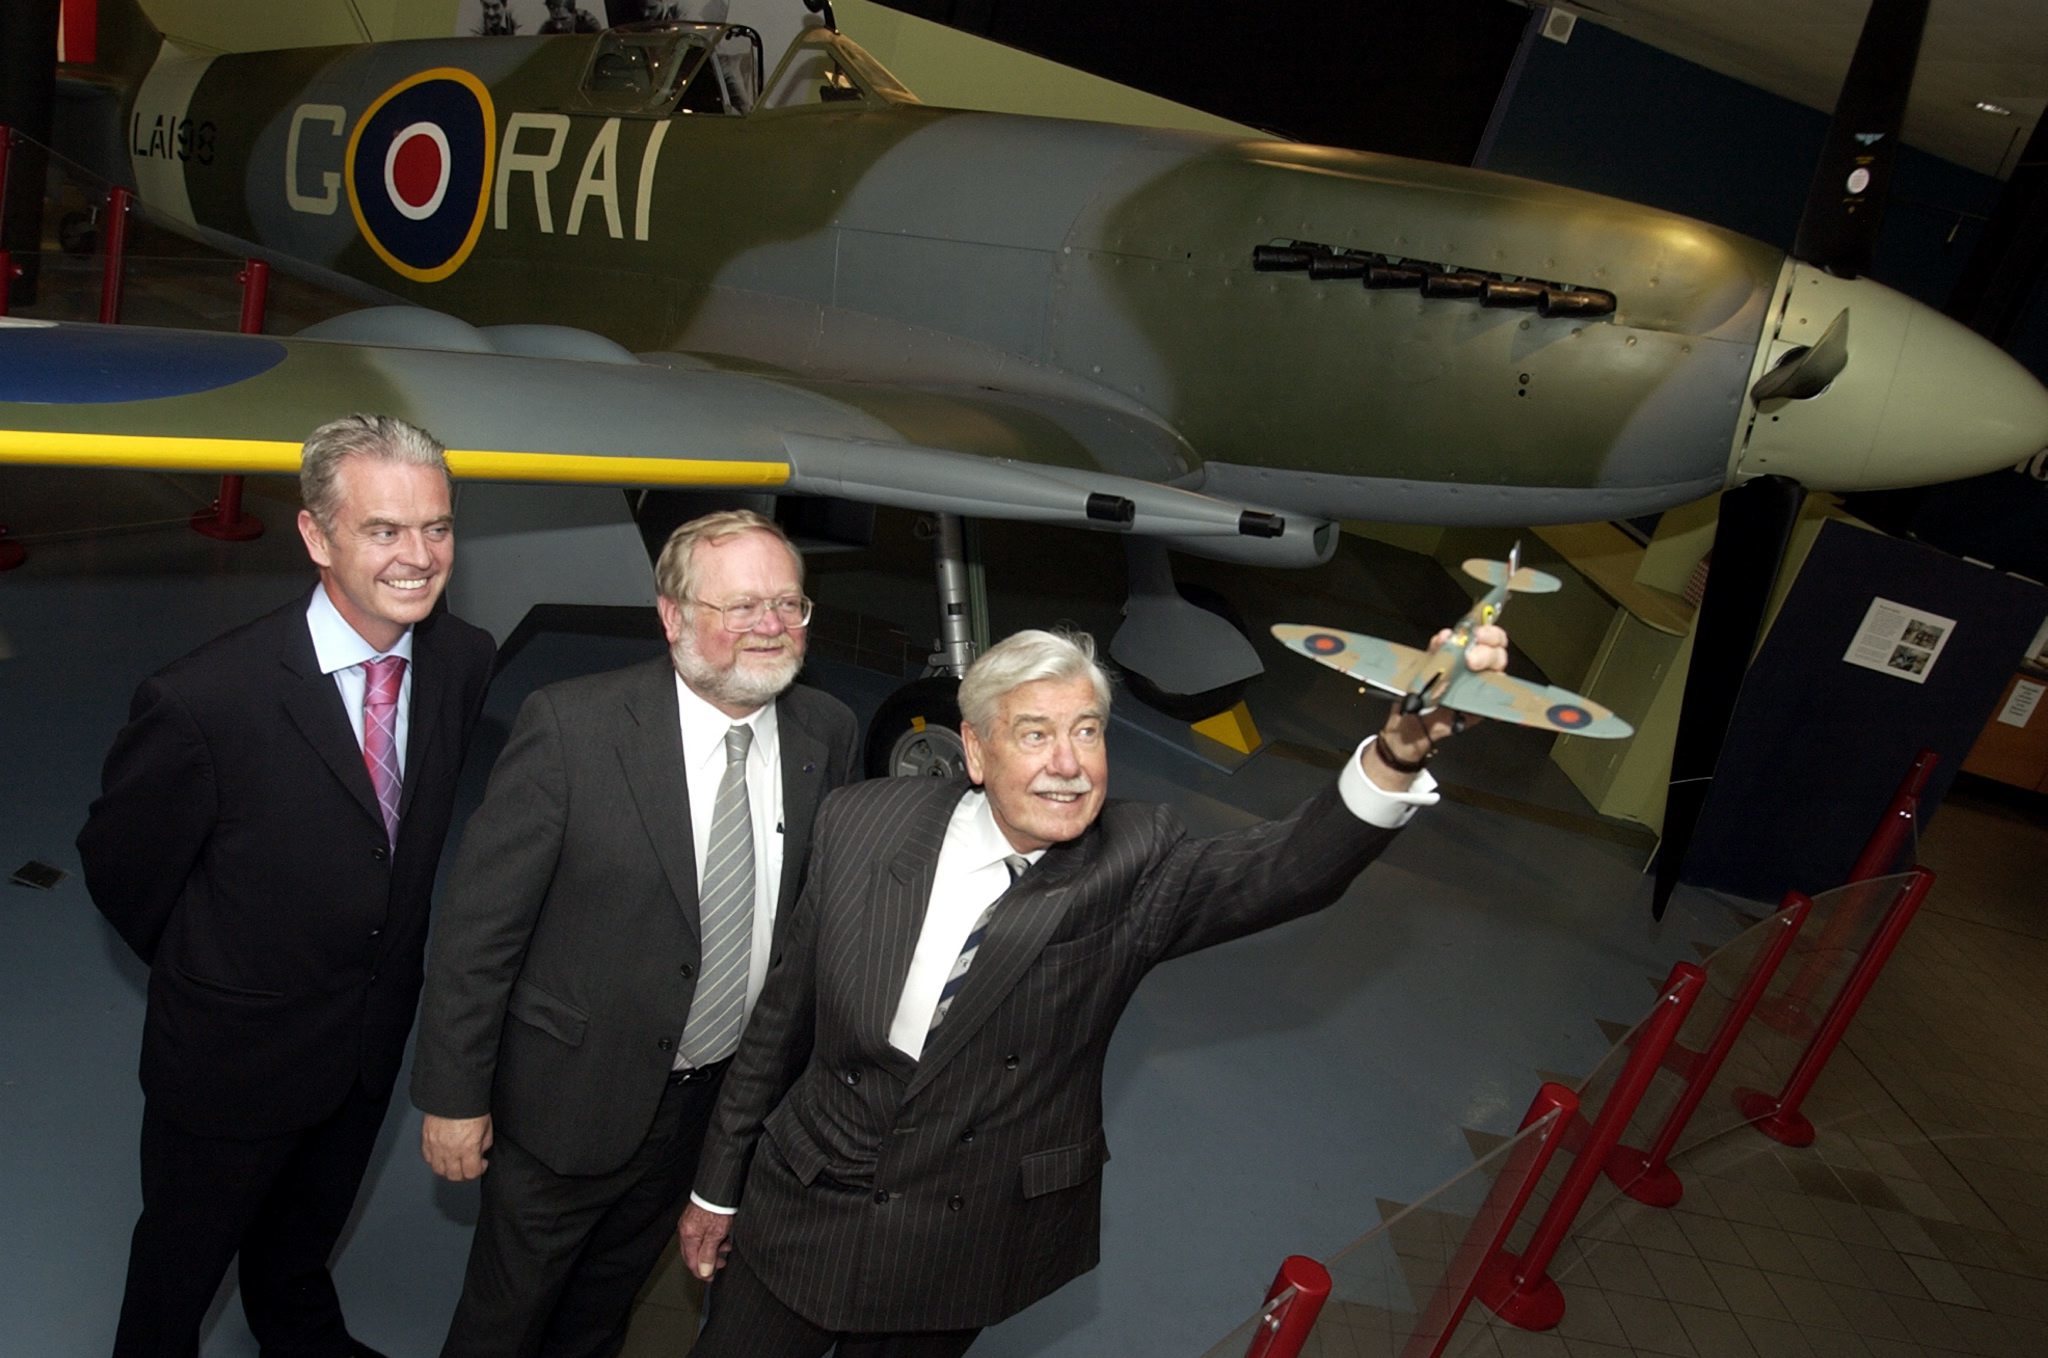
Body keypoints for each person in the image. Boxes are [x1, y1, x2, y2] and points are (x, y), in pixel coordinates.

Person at [679, 623, 1509, 1358]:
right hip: (808, 1198)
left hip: (956, 1237)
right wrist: (718, 1187)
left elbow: (1288, 869)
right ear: (974, 750)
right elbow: (780, 1017)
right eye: (1035, 734)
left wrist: (1397, 752)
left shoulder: (1135, 862)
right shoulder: (864, 822)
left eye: (1087, 732)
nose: (1069, 765)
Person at [78, 414, 496, 1358]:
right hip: (230, 1059)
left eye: (436, 527)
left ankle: (300, 1333)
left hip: (365, 1042)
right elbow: (123, 870)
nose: (418, 556)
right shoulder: (205, 699)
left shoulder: (463, 661)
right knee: (176, 1279)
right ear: (315, 536)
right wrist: (218, 970)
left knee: (301, 1242)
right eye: (383, 530)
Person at [411, 509, 860, 1358]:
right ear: (673, 616)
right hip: (566, 1101)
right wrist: (455, 1095)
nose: (770, 627)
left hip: (710, 1107)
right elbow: (479, 932)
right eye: (742, 608)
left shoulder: (825, 733)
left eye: (788, 605)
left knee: (603, 1310)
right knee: (505, 1321)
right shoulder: (572, 730)